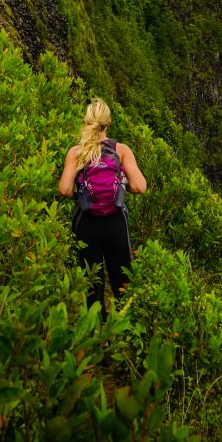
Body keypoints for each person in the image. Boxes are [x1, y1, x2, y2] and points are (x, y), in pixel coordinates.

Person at [59, 97, 147, 312]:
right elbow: (140, 186)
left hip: (87, 223)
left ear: (86, 122)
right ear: (108, 123)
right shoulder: (121, 150)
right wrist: (118, 189)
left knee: (92, 281)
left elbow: (64, 189)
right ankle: (125, 330)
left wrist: (83, 196)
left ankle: (98, 335)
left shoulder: (76, 152)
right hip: (115, 222)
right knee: (123, 279)